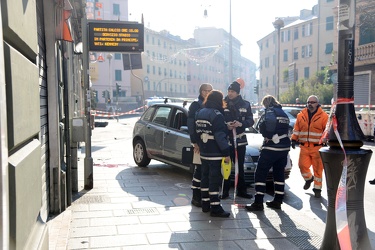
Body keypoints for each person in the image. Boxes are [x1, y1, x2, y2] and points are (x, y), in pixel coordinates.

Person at [245, 95, 291, 211]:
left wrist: (267, 136)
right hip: (284, 147)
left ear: (266, 103)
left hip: (271, 148)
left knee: (260, 173)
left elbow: (266, 128)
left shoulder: (269, 111)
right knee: (279, 174)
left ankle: (258, 202)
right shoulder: (283, 113)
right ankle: (278, 200)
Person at [194, 90, 231, 217]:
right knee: (214, 180)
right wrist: (226, 152)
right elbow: (220, 136)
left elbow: (196, 131)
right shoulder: (217, 115)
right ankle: (215, 207)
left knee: (204, 177)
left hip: (204, 151)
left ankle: (205, 204)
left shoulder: (200, 112)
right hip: (215, 151)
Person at [222, 80, 254, 199]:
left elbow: (251, 120)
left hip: (240, 140)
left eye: (232, 91)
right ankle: (224, 192)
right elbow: (218, 119)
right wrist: (226, 125)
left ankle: (242, 191)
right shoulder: (223, 103)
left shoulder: (245, 104)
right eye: (229, 91)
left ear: (238, 93)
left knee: (240, 166)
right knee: (226, 166)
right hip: (226, 140)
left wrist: (241, 124)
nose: (230, 93)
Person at [291, 95, 328, 198]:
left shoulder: (324, 116)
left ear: (317, 104)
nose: (310, 104)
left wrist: (326, 141)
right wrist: (294, 139)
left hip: (317, 147)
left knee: (318, 169)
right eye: (308, 102)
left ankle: (317, 189)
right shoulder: (301, 115)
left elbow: (326, 131)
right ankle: (308, 179)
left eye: (312, 102)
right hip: (304, 147)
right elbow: (297, 129)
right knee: (302, 166)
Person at [187, 83, 213, 207]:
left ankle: (204, 197)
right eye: (205, 90)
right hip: (198, 142)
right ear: (201, 91)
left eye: (210, 90)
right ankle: (195, 196)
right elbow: (191, 124)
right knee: (199, 170)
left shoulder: (211, 104)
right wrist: (194, 142)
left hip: (209, 144)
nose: (207, 93)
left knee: (206, 171)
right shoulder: (195, 104)